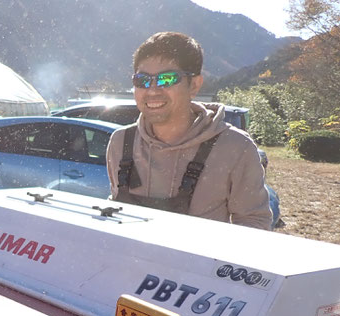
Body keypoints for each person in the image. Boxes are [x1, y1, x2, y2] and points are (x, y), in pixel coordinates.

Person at [105, 31, 272, 230]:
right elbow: (116, 207)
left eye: (167, 79)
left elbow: (254, 222)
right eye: (142, 80)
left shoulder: (235, 147)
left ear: (194, 85)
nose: (152, 90)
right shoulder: (121, 142)